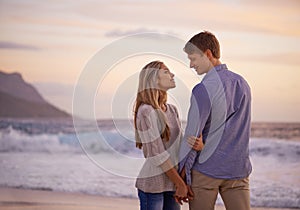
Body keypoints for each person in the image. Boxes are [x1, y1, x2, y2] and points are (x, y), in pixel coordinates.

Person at [178, 31, 252, 210]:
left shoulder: (202, 89)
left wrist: (182, 175)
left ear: (208, 54)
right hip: (237, 169)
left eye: (193, 58)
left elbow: (192, 136)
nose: (191, 65)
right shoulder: (242, 83)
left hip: (205, 171)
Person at [134, 60, 188, 210]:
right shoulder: (146, 111)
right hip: (153, 185)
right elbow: (157, 154)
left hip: (172, 183)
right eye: (166, 72)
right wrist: (180, 183)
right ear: (154, 80)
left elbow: (180, 147)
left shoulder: (172, 109)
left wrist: (182, 180)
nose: (172, 74)